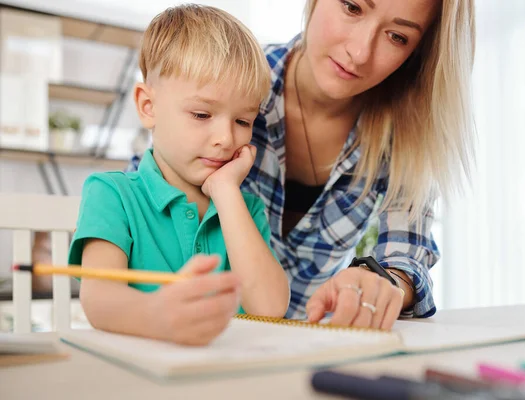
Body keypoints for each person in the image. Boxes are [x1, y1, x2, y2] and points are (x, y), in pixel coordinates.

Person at [126, 0, 476, 330]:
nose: (359, 52)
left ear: (416, 54)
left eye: (397, 37)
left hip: (310, 350)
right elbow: (138, 203)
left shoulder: (406, 136)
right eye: (352, 6)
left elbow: (407, 255)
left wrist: (383, 284)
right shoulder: (229, 85)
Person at [68, 5, 290, 346]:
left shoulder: (245, 208)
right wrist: (156, 314)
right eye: (202, 114)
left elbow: (271, 307)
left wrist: (225, 192)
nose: (226, 139)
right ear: (148, 106)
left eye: (243, 121)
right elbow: (99, 300)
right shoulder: (111, 194)